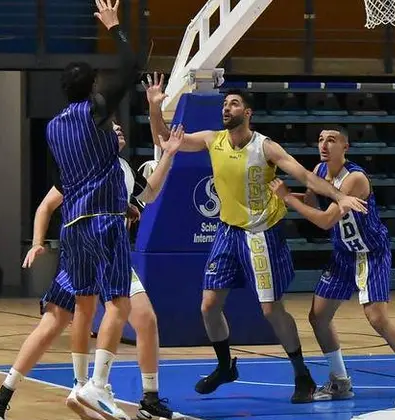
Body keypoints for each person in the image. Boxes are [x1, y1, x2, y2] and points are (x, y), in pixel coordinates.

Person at [143, 74, 368, 403]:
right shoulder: (212, 139)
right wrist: (153, 108)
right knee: (208, 305)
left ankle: (302, 375)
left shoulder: (265, 147)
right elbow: (166, 140)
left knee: (270, 310)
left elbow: (304, 175)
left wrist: (338, 196)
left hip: (262, 234)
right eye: (224, 103)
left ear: (247, 113)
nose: (226, 107)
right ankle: (225, 366)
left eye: (233, 103)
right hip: (227, 231)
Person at [0, 120, 185, 420]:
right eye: (111, 128)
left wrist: (168, 154)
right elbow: (46, 207)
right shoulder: (83, 167)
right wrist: (37, 243)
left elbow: (150, 193)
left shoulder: (124, 169)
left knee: (145, 319)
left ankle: (149, 400)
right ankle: (7, 395)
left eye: (121, 128)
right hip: (84, 250)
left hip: (111, 251)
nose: (118, 130)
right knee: (57, 322)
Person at [267, 127, 395, 407]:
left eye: (331, 139)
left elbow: (324, 221)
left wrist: (287, 197)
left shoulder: (354, 179)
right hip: (344, 253)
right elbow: (311, 203)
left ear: (346, 146)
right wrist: (289, 193)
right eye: (320, 139)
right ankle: (339, 382)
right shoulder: (319, 170)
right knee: (318, 316)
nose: (324, 144)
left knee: (377, 318)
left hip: (371, 252)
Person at [42, 0, 142, 420]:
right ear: (92, 86)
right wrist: (116, 27)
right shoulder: (96, 111)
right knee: (119, 304)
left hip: (73, 225)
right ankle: (99, 386)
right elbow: (133, 66)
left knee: (84, 306)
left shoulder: (52, 126)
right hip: (104, 217)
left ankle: (78, 384)